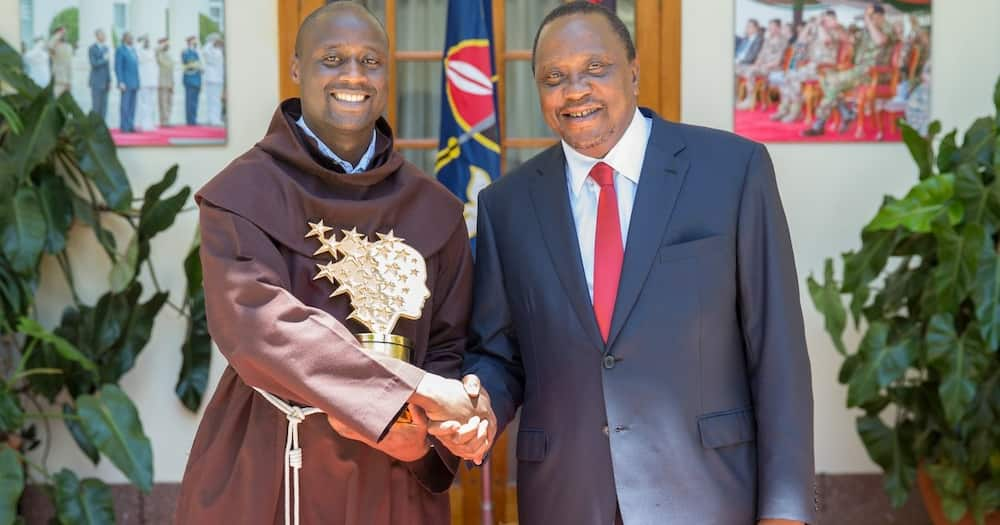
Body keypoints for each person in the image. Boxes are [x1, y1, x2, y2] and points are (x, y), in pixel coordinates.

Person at [445, 3, 815, 524]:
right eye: (555, 77)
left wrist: (787, 510)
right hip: (566, 500)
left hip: (707, 497)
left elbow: (778, 352)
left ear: (634, 70)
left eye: (596, 68)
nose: (576, 90)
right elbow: (500, 354)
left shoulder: (732, 171)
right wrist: (480, 404)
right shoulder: (506, 206)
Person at [174, 3, 492, 525]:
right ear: (298, 69)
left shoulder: (433, 208)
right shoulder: (243, 192)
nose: (353, 75)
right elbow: (259, 327)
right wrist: (407, 391)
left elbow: (450, 343)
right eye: (332, 58)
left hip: (395, 472)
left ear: (387, 74)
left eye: (370, 61)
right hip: (272, 461)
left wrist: (431, 437)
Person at [803, 2, 896, 136]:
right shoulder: (866, 31)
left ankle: (821, 123)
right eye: (869, 16)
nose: (868, 18)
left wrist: (869, 22)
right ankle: (844, 113)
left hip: (874, 72)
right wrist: (837, 27)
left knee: (831, 82)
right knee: (828, 81)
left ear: (880, 16)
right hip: (860, 71)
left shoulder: (886, 27)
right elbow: (850, 40)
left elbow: (880, 41)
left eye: (871, 15)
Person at [735, 18, 787, 110]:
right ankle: (746, 98)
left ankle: (750, 100)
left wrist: (764, 65)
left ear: (778, 28)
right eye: (769, 27)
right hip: (763, 67)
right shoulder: (768, 39)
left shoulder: (783, 40)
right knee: (748, 69)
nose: (770, 29)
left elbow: (778, 61)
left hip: (774, 68)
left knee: (750, 71)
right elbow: (761, 54)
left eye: (772, 27)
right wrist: (757, 63)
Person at [115, 32, 139, 133]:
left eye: (132, 38)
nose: (132, 39)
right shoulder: (120, 50)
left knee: (132, 106)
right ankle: (124, 126)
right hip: (125, 82)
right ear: (125, 39)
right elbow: (118, 67)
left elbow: (135, 67)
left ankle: (130, 125)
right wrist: (120, 81)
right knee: (125, 105)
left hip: (134, 82)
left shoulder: (133, 50)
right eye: (130, 38)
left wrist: (138, 82)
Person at [136, 35, 159, 131]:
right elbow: (136, 48)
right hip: (144, 81)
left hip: (153, 81)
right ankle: (144, 124)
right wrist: (140, 39)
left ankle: (150, 123)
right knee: (144, 103)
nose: (147, 43)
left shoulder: (152, 52)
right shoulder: (140, 52)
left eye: (148, 41)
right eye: (145, 41)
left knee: (152, 103)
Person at [202, 33, 225, 126]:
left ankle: (215, 118)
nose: (218, 41)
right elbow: (206, 51)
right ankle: (212, 119)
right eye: (216, 40)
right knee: (211, 100)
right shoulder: (208, 49)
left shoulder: (218, 50)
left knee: (216, 100)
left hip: (218, 79)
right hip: (211, 79)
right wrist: (211, 42)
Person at [88, 29, 111, 120]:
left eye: (104, 35)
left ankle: (102, 125)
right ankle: (94, 126)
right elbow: (94, 63)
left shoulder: (106, 48)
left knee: (104, 106)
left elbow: (107, 67)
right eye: (102, 35)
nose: (104, 37)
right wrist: (104, 59)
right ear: (97, 36)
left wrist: (109, 80)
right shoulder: (92, 48)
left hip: (105, 81)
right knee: (96, 106)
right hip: (96, 81)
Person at [181, 36, 202, 125]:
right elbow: (188, 63)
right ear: (189, 42)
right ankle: (190, 120)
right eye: (194, 41)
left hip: (197, 79)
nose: (195, 42)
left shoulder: (196, 52)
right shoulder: (186, 52)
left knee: (195, 101)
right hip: (190, 79)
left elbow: (198, 64)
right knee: (190, 101)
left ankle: (194, 119)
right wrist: (196, 65)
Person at [49, 27, 73, 96]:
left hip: (65, 81)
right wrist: (58, 35)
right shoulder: (53, 48)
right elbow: (50, 46)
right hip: (57, 80)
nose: (64, 34)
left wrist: (69, 82)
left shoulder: (68, 47)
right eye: (62, 33)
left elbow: (69, 65)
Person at [156, 37, 175, 126]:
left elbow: (171, 68)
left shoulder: (169, 54)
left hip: (170, 82)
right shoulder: (158, 53)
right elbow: (158, 54)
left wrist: (172, 83)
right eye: (165, 43)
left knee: (169, 102)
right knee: (163, 102)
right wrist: (161, 47)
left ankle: (168, 120)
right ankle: (163, 121)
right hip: (162, 82)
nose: (167, 45)